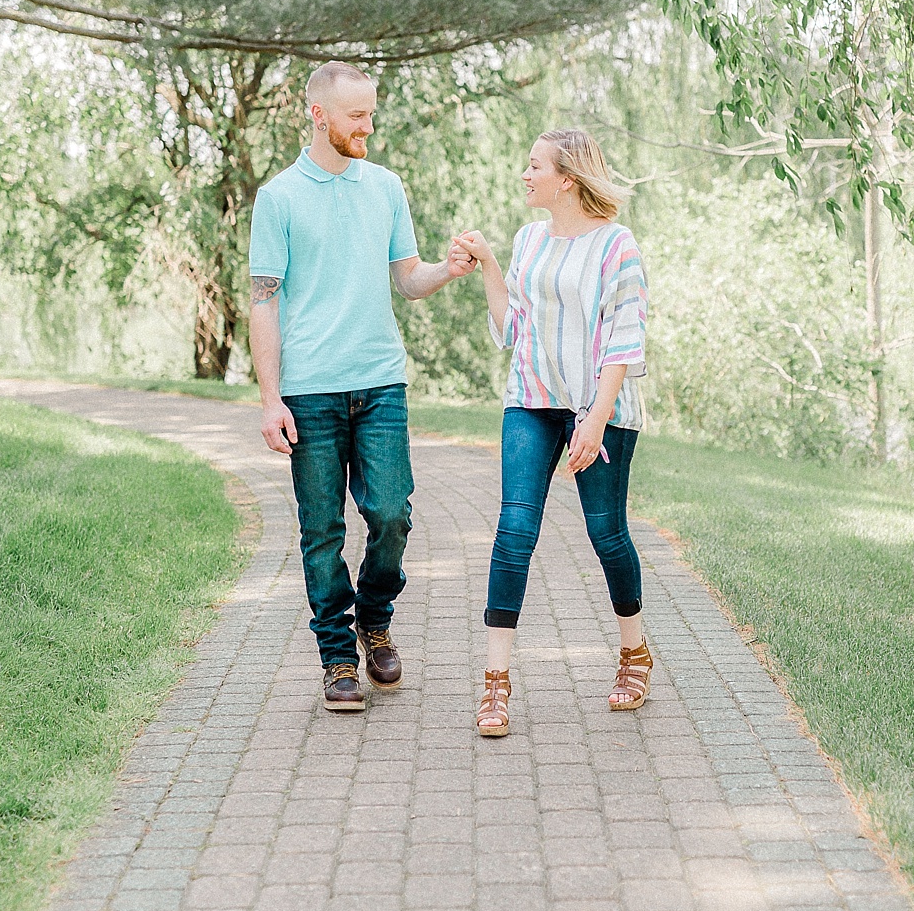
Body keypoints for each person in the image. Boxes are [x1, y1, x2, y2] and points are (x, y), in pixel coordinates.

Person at [248, 60, 477, 712]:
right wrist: (270, 400)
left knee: (390, 515)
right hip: (310, 392)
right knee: (321, 530)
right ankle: (337, 660)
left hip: (380, 382)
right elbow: (264, 300)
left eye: (372, 113)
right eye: (357, 115)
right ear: (318, 114)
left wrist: (449, 269)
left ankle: (373, 618)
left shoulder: (385, 187)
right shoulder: (280, 198)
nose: (368, 125)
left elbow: (406, 278)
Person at [453, 128, 650, 737]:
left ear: (566, 177)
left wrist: (594, 421)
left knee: (606, 533)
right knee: (514, 530)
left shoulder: (617, 246)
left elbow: (625, 337)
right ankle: (495, 686)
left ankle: (634, 653)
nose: (525, 174)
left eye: (533, 165)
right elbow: (513, 326)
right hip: (531, 401)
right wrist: (488, 263)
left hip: (600, 407)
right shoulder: (528, 240)